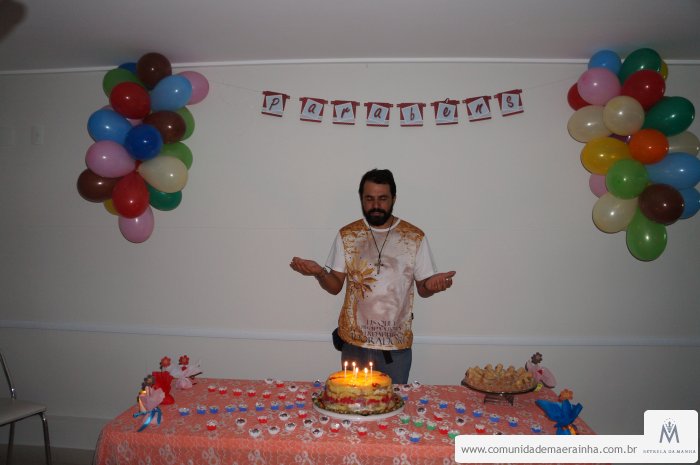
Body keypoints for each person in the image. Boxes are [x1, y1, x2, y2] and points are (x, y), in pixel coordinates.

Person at [290, 168, 456, 384]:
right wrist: (319, 272)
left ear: (393, 199)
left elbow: (423, 289)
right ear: (361, 199)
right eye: (369, 199)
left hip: (395, 349)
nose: (376, 205)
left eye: (382, 199)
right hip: (354, 345)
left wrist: (432, 285)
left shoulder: (414, 237)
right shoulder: (347, 235)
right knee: (353, 401)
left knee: (393, 403)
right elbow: (335, 286)